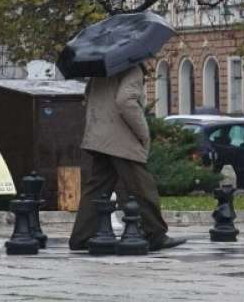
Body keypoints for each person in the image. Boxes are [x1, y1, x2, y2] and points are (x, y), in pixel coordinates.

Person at [69, 64, 186, 252]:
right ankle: (155, 234)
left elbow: (87, 96)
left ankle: (81, 236)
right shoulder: (132, 68)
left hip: (99, 136)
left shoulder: (101, 70)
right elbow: (126, 101)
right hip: (121, 139)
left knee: (97, 188)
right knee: (143, 188)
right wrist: (144, 132)